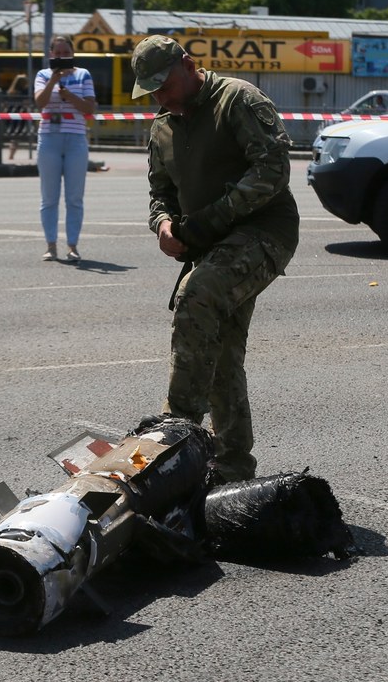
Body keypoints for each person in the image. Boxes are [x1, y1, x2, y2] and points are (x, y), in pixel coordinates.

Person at [134, 34, 300, 485]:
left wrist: (209, 220)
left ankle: (178, 429)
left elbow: (273, 170)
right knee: (221, 352)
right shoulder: (163, 125)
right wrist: (164, 226)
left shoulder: (237, 99)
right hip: (210, 242)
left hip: (265, 231)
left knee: (198, 294)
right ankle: (232, 468)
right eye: (151, 91)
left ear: (188, 66)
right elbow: (160, 195)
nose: (160, 97)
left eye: (164, 85)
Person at [33, 35, 96, 262]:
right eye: (57, 53)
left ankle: (73, 246)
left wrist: (69, 95)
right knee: (49, 197)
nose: (61, 57)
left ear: (73, 54)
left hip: (76, 138)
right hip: (49, 137)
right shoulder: (42, 74)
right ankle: (51, 245)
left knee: (74, 197)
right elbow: (40, 103)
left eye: (65, 53)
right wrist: (53, 80)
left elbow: (90, 107)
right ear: (51, 55)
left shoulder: (83, 74)